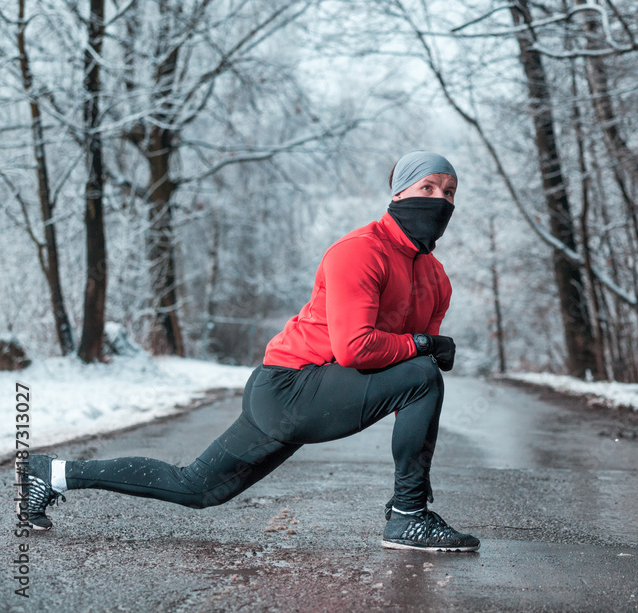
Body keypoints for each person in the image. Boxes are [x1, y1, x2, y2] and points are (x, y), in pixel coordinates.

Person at [16, 150, 480, 552]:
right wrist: (421, 346)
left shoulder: (436, 279)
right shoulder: (359, 252)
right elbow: (358, 349)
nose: (440, 199)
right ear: (398, 194)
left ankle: (51, 472)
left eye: (449, 191)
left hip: (315, 390)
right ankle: (406, 520)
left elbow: (407, 379)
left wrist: (412, 476)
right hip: (289, 385)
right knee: (423, 370)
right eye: (428, 186)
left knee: (198, 488)